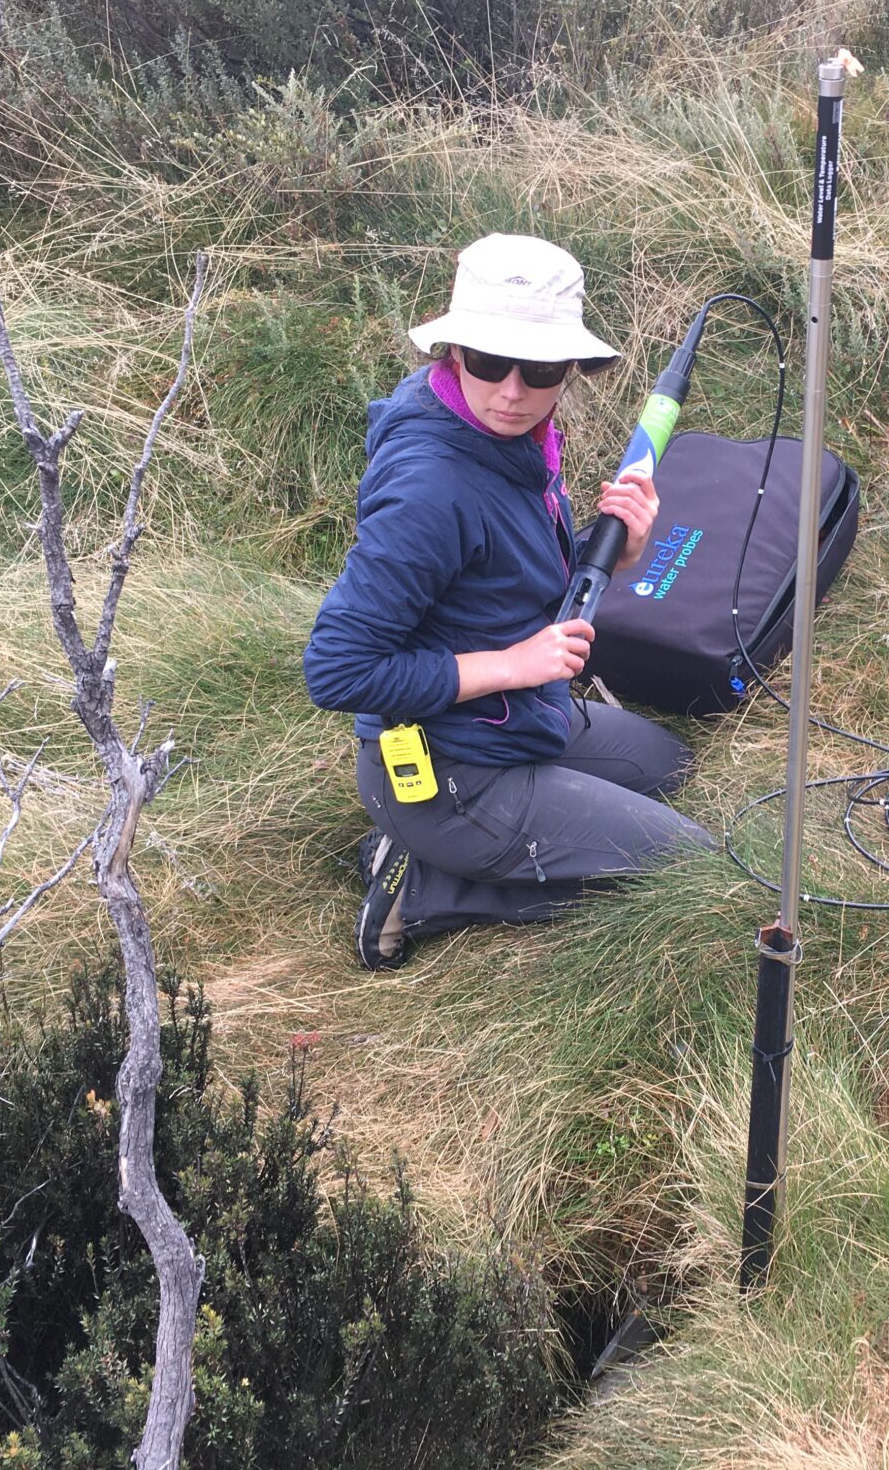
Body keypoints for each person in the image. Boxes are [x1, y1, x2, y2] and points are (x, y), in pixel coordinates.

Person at [304, 234, 715, 970]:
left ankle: (479, 833)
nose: (513, 391)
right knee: (694, 870)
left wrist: (620, 550)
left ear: (571, 369)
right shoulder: (432, 488)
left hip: (516, 718)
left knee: (669, 767)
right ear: (452, 353)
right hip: (449, 771)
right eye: (490, 362)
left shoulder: (508, 436)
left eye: (542, 368)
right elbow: (336, 670)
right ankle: (422, 886)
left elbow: (502, 573)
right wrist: (514, 665)